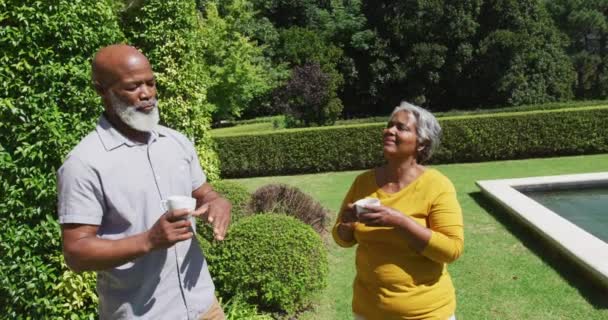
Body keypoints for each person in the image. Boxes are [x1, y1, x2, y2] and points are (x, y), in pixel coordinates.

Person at [57, 44, 231, 320]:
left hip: (204, 307)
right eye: (132, 86)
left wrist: (217, 202)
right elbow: (76, 252)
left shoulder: (176, 142)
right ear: (101, 90)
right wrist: (149, 240)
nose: (147, 93)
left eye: (150, 83)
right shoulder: (84, 164)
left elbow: (204, 193)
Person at [332, 101, 464, 320]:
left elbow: (451, 250)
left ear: (421, 143)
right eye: (389, 125)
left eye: (401, 128)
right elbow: (342, 239)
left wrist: (400, 222)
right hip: (368, 312)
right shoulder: (363, 182)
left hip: (426, 313)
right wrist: (346, 223)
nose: (389, 131)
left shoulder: (437, 185)